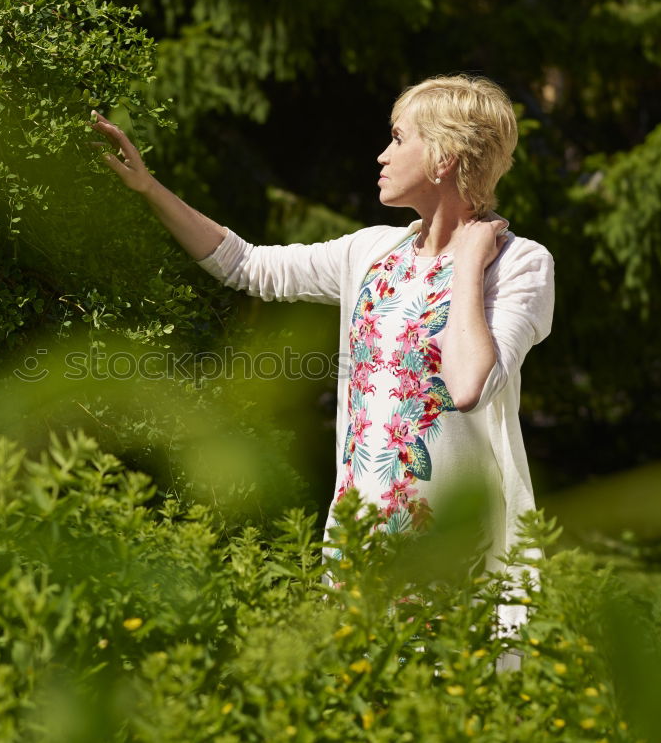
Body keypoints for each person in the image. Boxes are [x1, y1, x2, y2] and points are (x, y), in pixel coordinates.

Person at [90, 74, 554, 637]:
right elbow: (247, 265)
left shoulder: (519, 265)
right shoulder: (370, 250)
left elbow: (468, 387)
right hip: (358, 537)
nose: (382, 155)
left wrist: (467, 264)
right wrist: (149, 189)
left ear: (443, 158)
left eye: (398, 138)